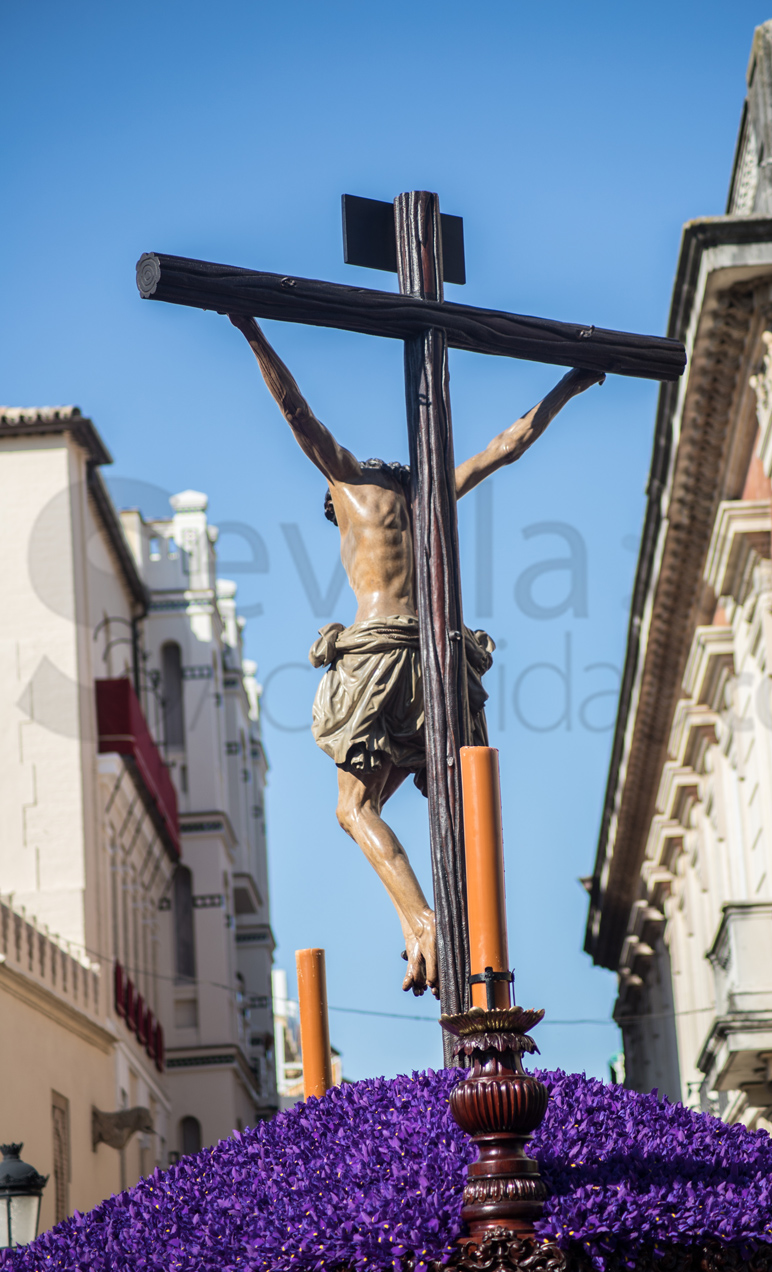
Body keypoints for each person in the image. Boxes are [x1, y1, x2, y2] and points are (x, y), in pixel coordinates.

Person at [230, 314, 603, 997]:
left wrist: (249, 327)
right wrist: (570, 385)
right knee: (450, 795)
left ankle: (424, 922)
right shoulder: (430, 491)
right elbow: (508, 445)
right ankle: (456, 931)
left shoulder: (344, 483)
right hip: (440, 657)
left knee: (352, 808)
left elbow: (296, 411)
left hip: (378, 653)